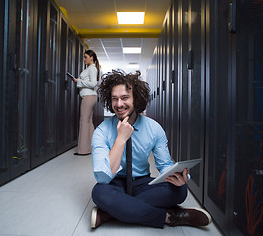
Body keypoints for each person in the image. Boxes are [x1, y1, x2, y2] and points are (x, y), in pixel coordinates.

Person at [90, 70, 212, 229]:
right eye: (115, 99)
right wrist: (121, 138)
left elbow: (165, 166)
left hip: (142, 182)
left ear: (136, 99)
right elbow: (103, 177)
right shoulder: (101, 131)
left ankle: (110, 213)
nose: (119, 104)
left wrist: (178, 176)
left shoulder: (154, 128)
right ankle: (170, 216)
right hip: (115, 183)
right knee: (99, 193)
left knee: (180, 190)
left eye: (125, 98)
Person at [71, 50, 100, 155]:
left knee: (83, 121)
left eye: (85, 57)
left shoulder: (92, 69)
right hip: (90, 97)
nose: (84, 59)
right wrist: (80, 80)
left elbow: (93, 84)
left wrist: (78, 81)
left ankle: (83, 150)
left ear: (91, 57)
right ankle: (92, 147)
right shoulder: (90, 69)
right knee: (88, 122)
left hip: (88, 97)